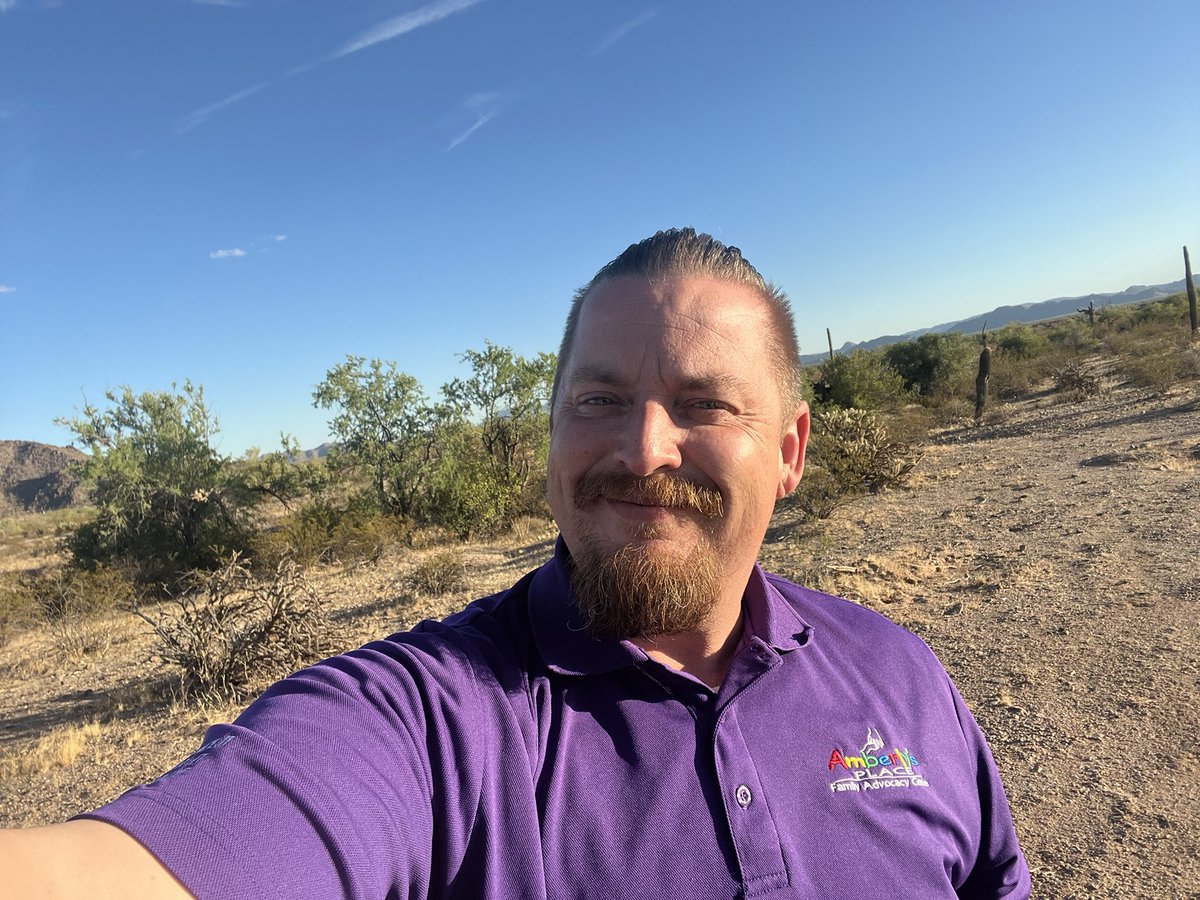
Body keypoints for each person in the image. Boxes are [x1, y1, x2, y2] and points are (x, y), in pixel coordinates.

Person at [1, 228, 1030, 898]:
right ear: (549, 440)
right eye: (597, 402)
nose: (643, 448)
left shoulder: (899, 674)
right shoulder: (434, 722)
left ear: (793, 452)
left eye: (706, 404)